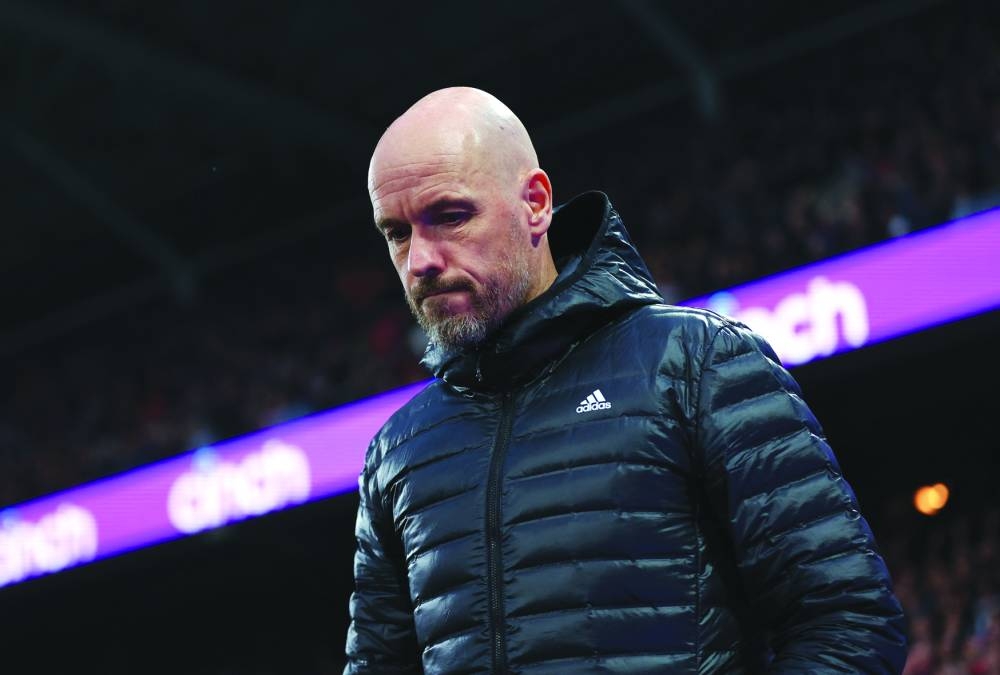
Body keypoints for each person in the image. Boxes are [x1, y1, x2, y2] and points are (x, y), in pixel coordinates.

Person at [345, 87, 906, 674]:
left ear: (535, 203)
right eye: (397, 233)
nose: (421, 261)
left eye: (450, 217)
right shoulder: (397, 452)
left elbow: (849, 623)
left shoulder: (696, 362)